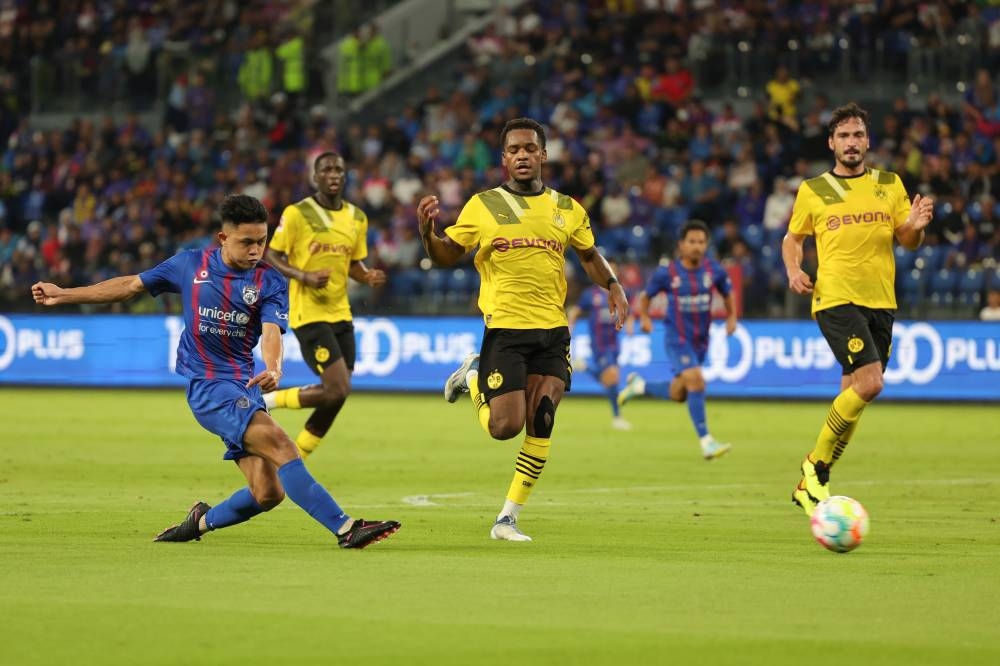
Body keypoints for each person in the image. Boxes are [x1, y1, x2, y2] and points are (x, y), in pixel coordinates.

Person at [31, 194, 400, 548]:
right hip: (209, 388)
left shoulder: (268, 281)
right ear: (223, 237)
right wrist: (63, 294)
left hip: (245, 387)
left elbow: (272, 333)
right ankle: (345, 527)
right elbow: (128, 286)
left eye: (262, 241)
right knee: (282, 444)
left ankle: (199, 522)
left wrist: (274, 367)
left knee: (268, 493)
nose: (256, 250)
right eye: (247, 242)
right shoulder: (189, 265)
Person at [416, 117, 629, 542]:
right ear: (504, 159)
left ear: (543, 155)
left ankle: (507, 518)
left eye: (530, 149)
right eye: (514, 150)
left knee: (543, 418)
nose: (522, 156)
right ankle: (473, 376)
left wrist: (612, 284)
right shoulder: (484, 206)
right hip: (507, 331)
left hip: (553, 330)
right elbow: (446, 255)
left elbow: (588, 255)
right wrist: (427, 234)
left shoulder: (567, 209)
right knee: (503, 428)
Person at [782, 102, 934, 517]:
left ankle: (812, 483)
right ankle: (814, 465)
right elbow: (793, 239)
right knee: (871, 383)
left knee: (854, 392)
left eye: (858, 135)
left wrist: (915, 229)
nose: (852, 143)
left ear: (868, 141)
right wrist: (794, 269)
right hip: (835, 297)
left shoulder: (889, 184)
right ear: (832, 143)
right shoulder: (814, 190)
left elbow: (906, 240)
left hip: (881, 300)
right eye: (844, 136)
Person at [262, 152, 386, 458]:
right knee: (336, 389)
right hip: (309, 314)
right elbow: (272, 254)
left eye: (339, 170)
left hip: (341, 313)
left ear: (345, 177)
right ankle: (268, 402)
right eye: (326, 170)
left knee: (338, 393)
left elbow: (353, 263)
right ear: (315, 177)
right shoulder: (297, 213)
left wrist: (367, 275)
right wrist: (303, 275)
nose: (333, 175)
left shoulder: (357, 217)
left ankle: (297, 456)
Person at [617, 220, 736, 460]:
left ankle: (639, 386)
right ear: (681, 245)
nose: (697, 246)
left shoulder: (714, 270)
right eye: (692, 241)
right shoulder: (667, 273)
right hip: (676, 338)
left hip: (700, 340)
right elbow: (646, 296)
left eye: (701, 242)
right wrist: (646, 318)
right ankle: (707, 442)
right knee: (697, 380)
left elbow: (727, 292)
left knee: (680, 392)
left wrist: (732, 317)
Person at [566, 258, 634, 431]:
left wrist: (630, 323)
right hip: (599, 344)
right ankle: (618, 417)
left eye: (613, 269)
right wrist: (570, 326)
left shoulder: (619, 294)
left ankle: (583, 367)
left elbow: (629, 311)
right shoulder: (591, 294)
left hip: (614, 342)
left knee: (610, 380)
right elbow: (576, 310)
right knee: (612, 376)